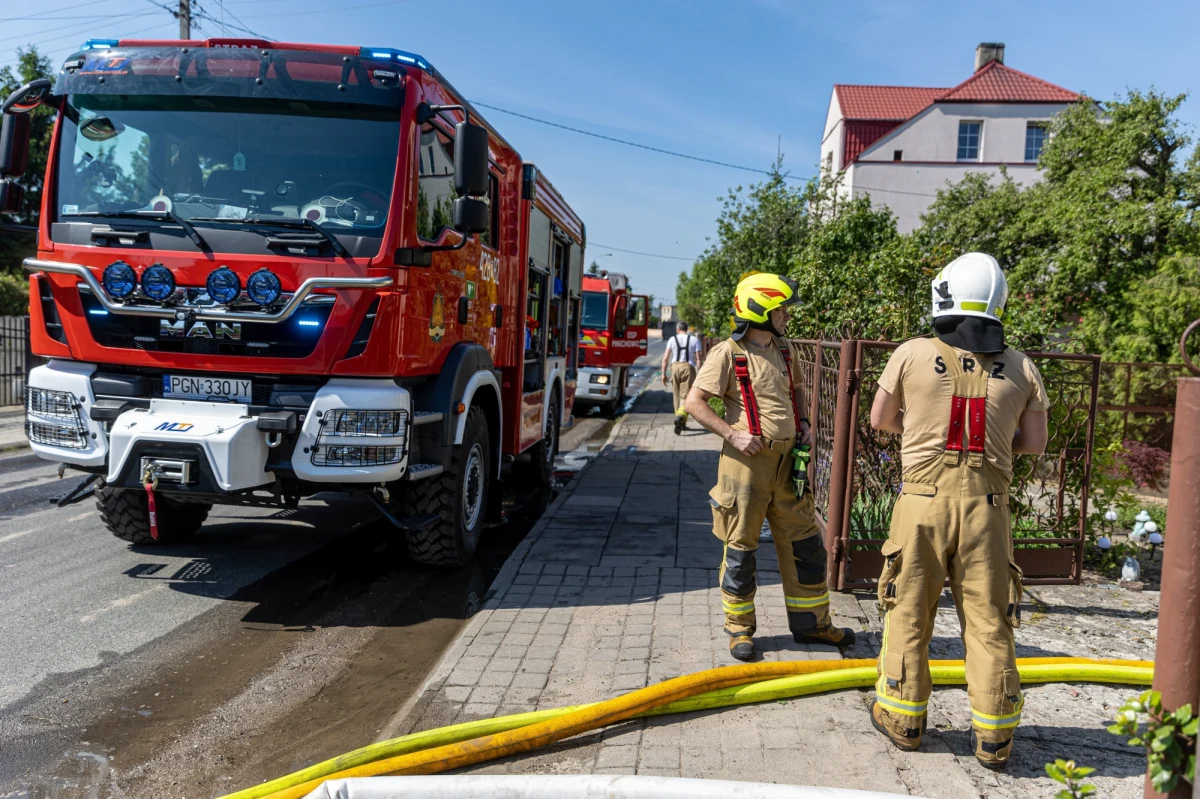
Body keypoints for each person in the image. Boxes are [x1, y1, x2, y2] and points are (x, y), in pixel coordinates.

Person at [867, 252, 1049, 770]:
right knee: (990, 621)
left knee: (908, 610)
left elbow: (881, 418)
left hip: (921, 506)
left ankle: (904, 720)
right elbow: (1034, 443)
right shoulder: (1023, 367)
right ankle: (994, 737)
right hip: (988, 512)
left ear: (944, 297)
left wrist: (921, 431)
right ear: (998, 304)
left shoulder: (912, 353)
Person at [685, 273, 856, 661]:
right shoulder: (728, 353)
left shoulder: (785, 348)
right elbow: (694, 402)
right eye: (781, 310)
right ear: (760, 310)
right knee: (741, 548)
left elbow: (797, 390)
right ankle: (739, 628)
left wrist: (804, 422)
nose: (787, 317)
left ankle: (812, 624)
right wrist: (732, 434)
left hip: (788, 462)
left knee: (806, 546)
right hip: (746, 465)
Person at [661, 321, 704, 435]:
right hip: (688, 368)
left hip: (674, 368)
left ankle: (680, 421)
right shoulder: (694, 340)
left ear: (677, 329)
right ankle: (681, 417)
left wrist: (663, 374)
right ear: (687, 329)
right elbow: (698, 358)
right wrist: (700, 373)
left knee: (676, 395)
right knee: (685, 395)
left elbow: (665, 358)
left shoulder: (672, 339)